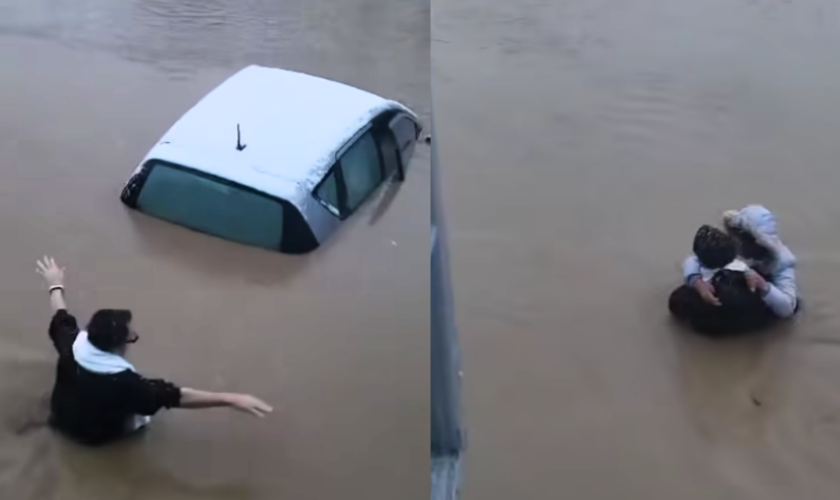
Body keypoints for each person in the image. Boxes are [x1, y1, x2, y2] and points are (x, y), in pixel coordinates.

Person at [36, 256, 273, 446]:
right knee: (143, 421)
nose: (132, 337)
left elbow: (61, 315)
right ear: (118, 346)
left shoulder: (70, 344)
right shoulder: (127, 383)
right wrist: (230, 399)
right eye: (130, 336)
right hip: (95, 438)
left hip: (59, 417)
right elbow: (176, 396)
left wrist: (54, 282)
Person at [669, 225, 773, 335]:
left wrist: (696, 283)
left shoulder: (697, 289)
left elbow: (690, 261)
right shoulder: (751, 276)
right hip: (755, 322)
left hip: (711, 329)